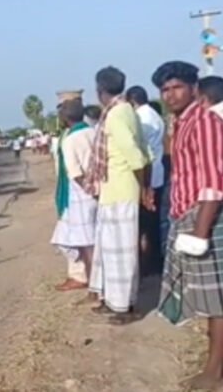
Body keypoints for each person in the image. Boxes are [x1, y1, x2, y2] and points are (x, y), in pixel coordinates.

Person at [152, 61, 223, 390]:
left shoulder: (205, 122)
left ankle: (214, 373)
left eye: (177, 87)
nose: (170, 94)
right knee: (209, 301)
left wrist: (200, 231)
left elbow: (214, 181)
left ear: (194, 88)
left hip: (204, 216)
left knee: (218, 302)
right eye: (165, 90)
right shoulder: (181, 124)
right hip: (186, 215)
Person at [83, 66, 150, 324]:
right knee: (108, 253)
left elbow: (136, 156)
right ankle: (112, 300)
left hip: (121, 192)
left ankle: (125, 307)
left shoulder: (116, 115)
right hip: (112, 191)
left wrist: (142, 189)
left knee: (121, 255)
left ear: (100, 90)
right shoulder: (124, 110)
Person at [51, 97, 98, 292]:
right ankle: (86, 278)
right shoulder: (93, 132)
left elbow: (75, 173)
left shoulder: (70, 139)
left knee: (82, 242)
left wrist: (90, 190)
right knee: (91, 239)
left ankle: (88, 281)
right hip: (97, 190)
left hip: (80, 194)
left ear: (64, 117)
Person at [126, 85, 165, 277]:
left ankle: (149, 264)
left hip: (149, 174)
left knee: (146, 223)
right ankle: (154, 261)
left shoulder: (140, 117)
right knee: (153, 222)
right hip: (157, 171)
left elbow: (140, 151)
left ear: (132, 101)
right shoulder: (153, 114)